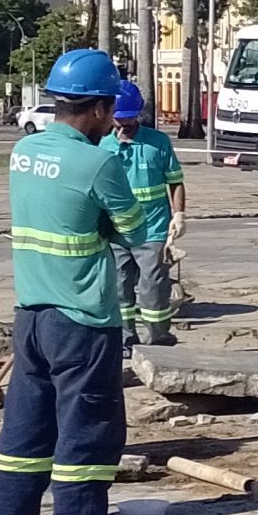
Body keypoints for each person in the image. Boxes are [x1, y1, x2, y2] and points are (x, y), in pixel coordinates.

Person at [0, 49, 146, 515]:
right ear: (98, 109)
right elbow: (136, 231)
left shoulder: (24, 152)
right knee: (87, 439)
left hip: (31, 315)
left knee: (24, 435)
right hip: (83, 321)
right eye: (109, 110)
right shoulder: (98, 162)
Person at [103, 82, 186, 347]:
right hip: (116, 231)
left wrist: (179, 214)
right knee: (119, 288)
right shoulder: (103, 146)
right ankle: (126, 339)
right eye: (119, 117)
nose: (124, 123)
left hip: (152, 229)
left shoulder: (157, 143)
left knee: (153, 288)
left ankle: (159, 337)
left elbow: (175, 181)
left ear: (138, 113)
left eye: (129, 117)